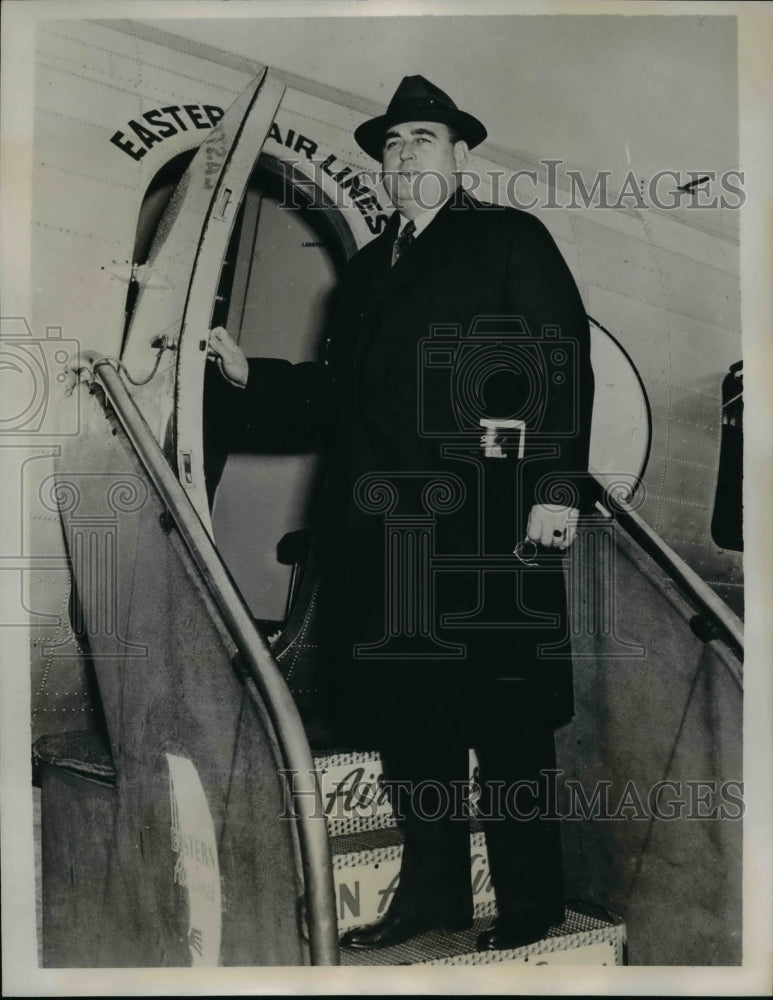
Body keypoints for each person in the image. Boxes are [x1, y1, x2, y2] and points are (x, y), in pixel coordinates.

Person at [207, 75, 594, 952]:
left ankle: (529, 907)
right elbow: (329, 403)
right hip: (385, 541)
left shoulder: (506, 238)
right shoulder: (364, 273)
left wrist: (555, 490)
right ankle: (432, 898)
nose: (403, 154)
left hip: (487, 525)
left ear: (461, 156)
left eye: (422, 138)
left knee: (506, 725)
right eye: (391, 144)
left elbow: (559, 364)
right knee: (408, 723)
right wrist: (246, 376)